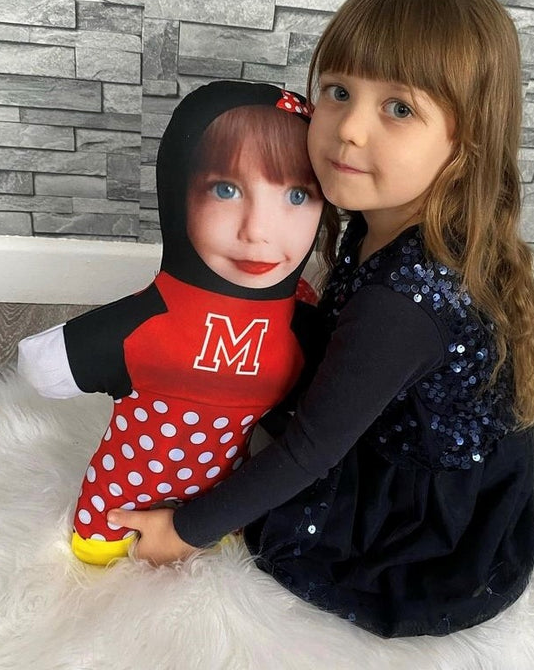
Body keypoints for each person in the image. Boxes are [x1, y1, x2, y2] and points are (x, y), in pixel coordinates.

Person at [107, 0, 534, 638]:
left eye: (399, 109)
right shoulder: (398, 216)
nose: (348, 131)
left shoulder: (401, 304)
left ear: (467, 139)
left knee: (284, 493)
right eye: (338, 92)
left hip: (420, 518)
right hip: (421, 413)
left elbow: (310, 451)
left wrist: (187, 530)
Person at [18, 81, 331, 566]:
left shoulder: (300, 329)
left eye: (295, 195)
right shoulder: (148, 322)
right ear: (178, 189)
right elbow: (44, 368)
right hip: (118, 498)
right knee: (92, 562)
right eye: (226, 190)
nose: (258, 231)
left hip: (222, 504)